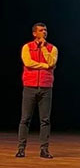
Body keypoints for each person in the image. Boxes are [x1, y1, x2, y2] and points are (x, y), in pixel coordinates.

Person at [16, 22, 58, 159]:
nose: (44, 32)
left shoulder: (52, 48)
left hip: (46, 87)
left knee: (45, 120)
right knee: (25, 119)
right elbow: (28, 63)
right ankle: (21, 149)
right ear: (34, 33)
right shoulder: (27, 47)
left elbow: (51, 62)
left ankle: (44, 150)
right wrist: (44, 66)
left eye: (45, 30)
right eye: (41, 30)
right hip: (30, 86)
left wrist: (44, 49)